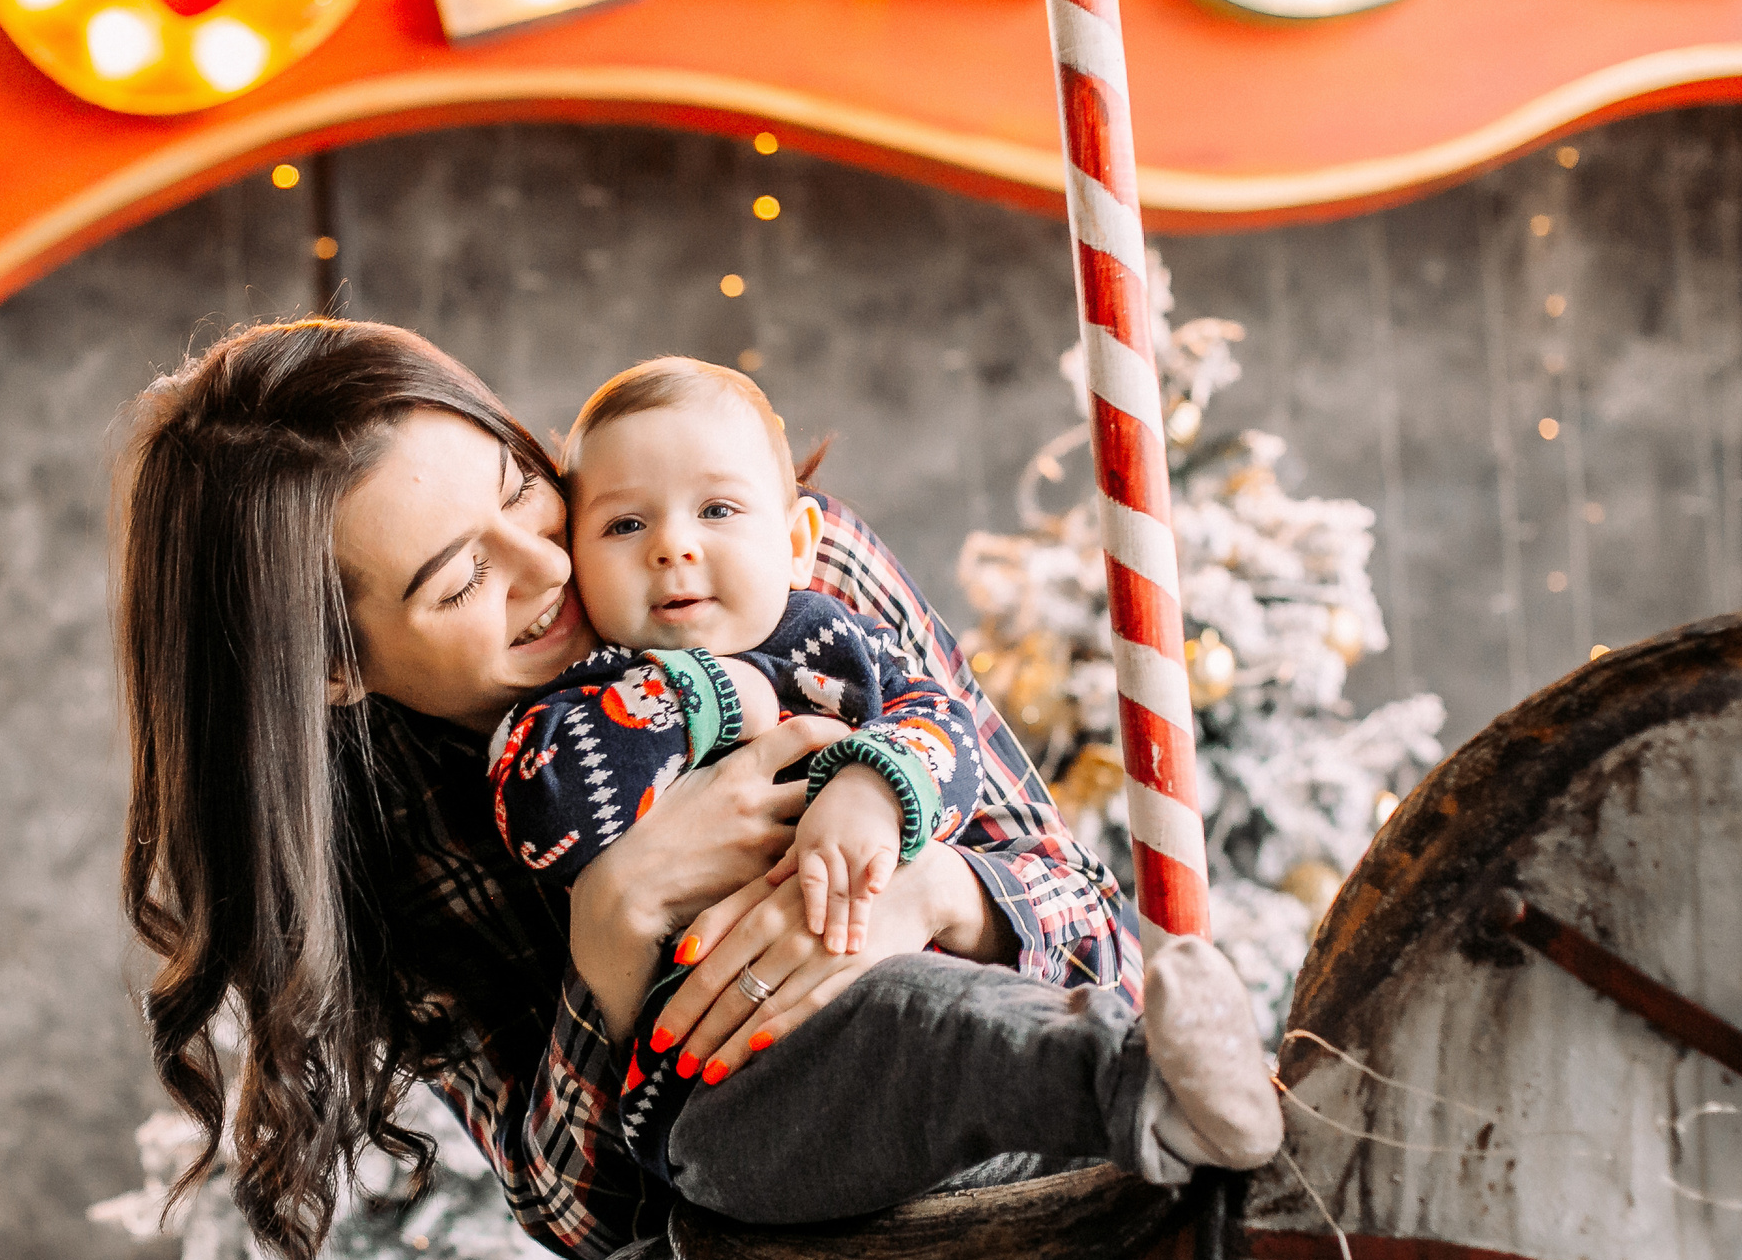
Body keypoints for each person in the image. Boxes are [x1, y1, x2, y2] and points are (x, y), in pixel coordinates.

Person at [111, 317, 1280, 1260]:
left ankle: (1143, 1090)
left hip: (1002, 1067)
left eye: (526, 488)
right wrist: (614, 922)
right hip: (754, 1144)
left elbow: (1103, 939)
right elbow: (576, 1218)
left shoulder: (779, 575)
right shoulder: (379, 824)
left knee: (931, 1009)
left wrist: (927, 890)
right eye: (462, 578)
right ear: (330, 668)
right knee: (872, 1051)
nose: (553, 565)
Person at [486, 357, 1277, 1187]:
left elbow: (944, 732)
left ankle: (1163, 1085)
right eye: (623, 527)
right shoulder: (578, 700)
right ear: (575, 560)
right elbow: (545, 812)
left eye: (717, 509)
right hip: (731, 1101)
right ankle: (1151, 1085)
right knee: (922, 1019)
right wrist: (712, 692)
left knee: (962, 1020)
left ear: (796, 546)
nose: (674, 546)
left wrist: (877, 781)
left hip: (919, 1033)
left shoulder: (834, 646)